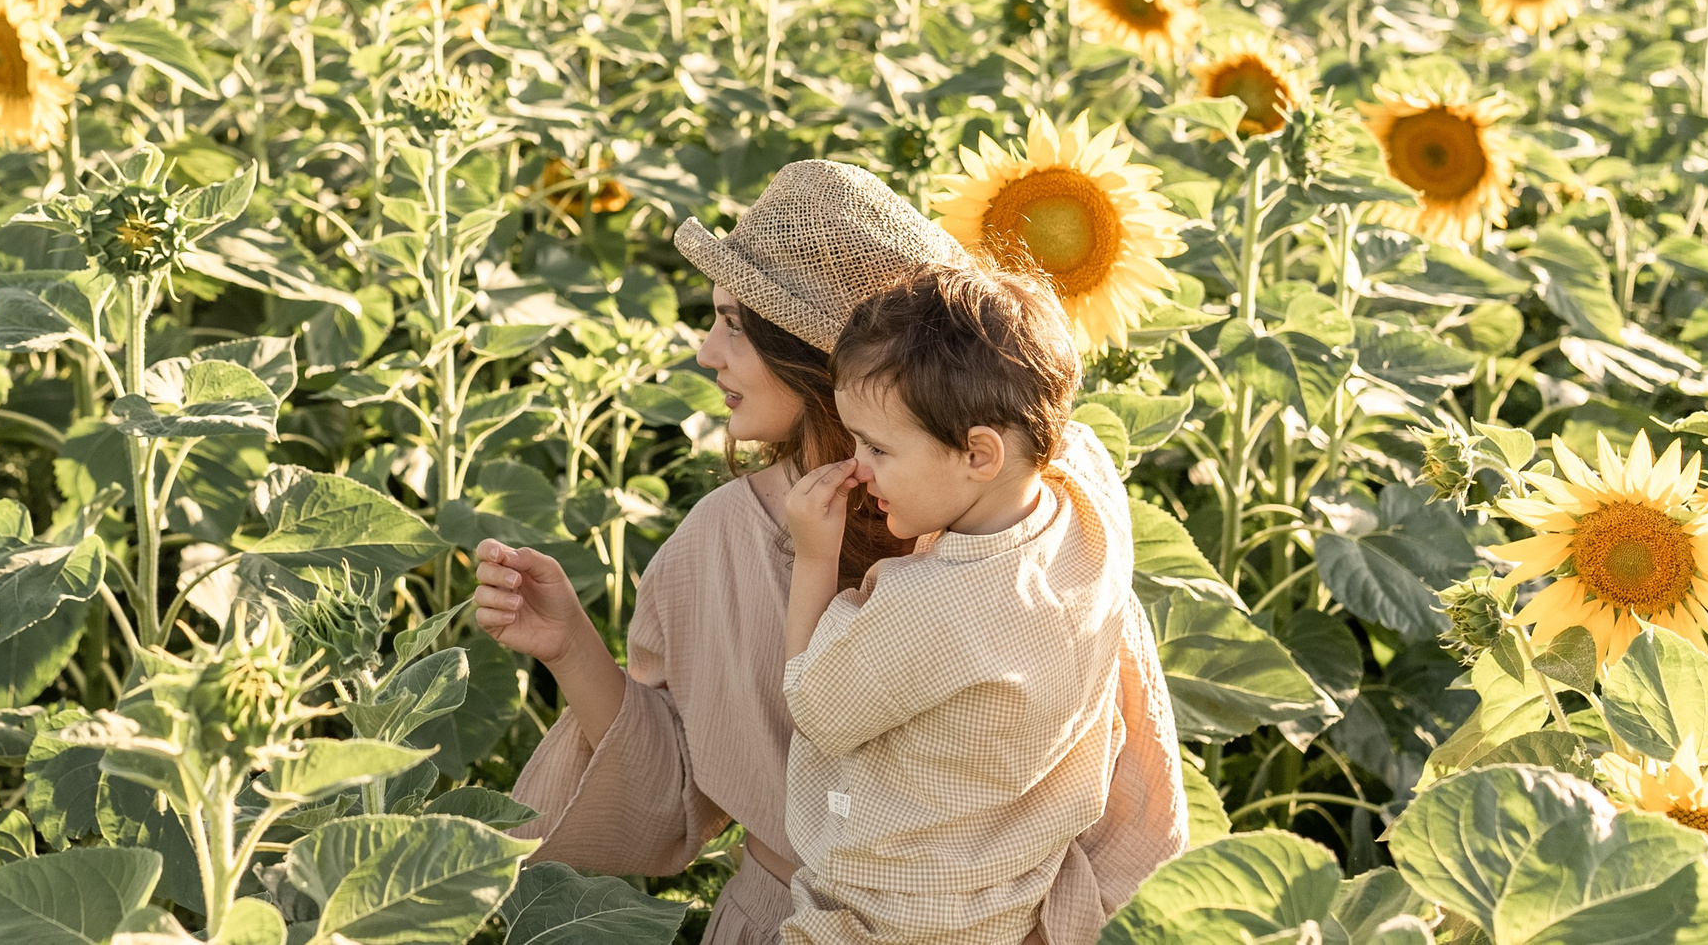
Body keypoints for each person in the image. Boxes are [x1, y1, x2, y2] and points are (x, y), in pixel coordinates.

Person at [472, 160, 966, 945]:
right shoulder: (723, 535)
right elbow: (672, 795)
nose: (707, 353)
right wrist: (568, 644)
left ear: (816, 353)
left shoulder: (1001, 524)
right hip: (783, 918)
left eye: (736, 325)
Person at [776, 263, 1186, 945]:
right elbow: (1066, 433)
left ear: (979, 454)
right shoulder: (1090, 506)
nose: (858, 466)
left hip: (889, 914)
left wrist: (816, 554)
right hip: (1005, 895)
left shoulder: (924, 606)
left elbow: (815, 705)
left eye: (878, 446)